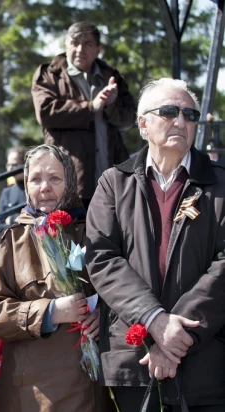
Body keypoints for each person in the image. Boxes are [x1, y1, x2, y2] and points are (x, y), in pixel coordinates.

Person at [86, 78, 225, 411]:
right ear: (143, 124)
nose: (181, 121)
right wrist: (154, 321)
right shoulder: (114, 182)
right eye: (168, 111)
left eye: (189, 114)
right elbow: (102, 258)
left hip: (207, 362)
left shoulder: (221, 183)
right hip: (135, 361)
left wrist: (178, 336)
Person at [0, 144, 108, 411]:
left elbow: (121, 289)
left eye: (55, 178)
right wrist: (50, 312)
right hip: (30, 392)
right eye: (35, 179)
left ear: (70, 181)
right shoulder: (12, 240)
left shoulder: (95, 233)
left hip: (87, 386)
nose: (44, 187)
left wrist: (104, 316)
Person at [31, 22, 136, 208]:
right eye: (75, 43)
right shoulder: (49, 74)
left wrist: (111, 105)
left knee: (110, 236)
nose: (80, 49)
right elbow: (46, 113)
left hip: (112, 182)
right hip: (69, 184)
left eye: (87, 44)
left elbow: (129, 119)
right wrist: (91, 107)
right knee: (69, 237)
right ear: (66, 45)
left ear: (98, 49)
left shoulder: (111, 76)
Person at [0, 146, 28, 235]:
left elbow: (35, 221)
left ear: (25, 165)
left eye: (15, 165)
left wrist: (11, 219)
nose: (10, 169)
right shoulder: (7, 193)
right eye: (8, 165)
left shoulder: (35, 190)